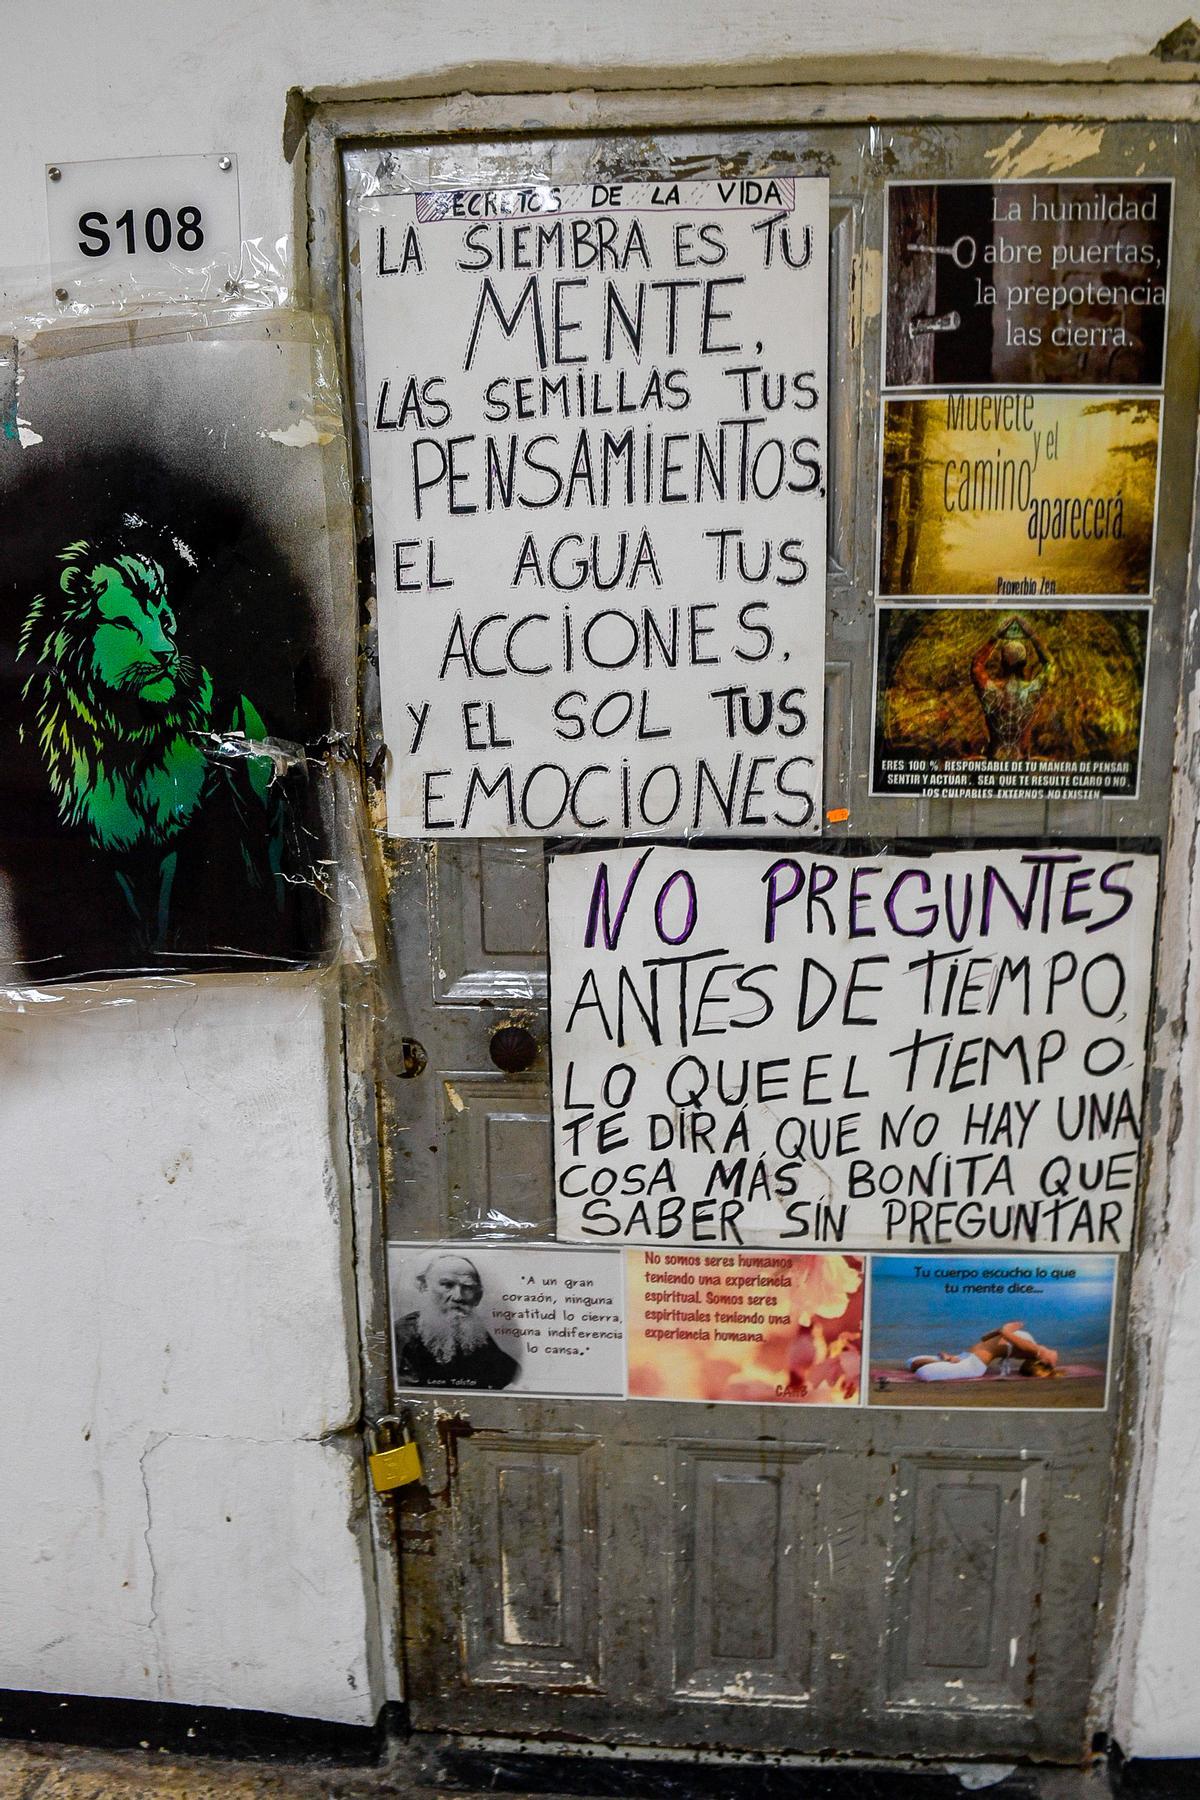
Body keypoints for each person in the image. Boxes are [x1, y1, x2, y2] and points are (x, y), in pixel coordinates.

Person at [393, 1252, 520, 1390]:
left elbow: (509, 1375)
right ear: (424, 1287)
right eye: (447, 1285)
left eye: (468, 1287)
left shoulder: (472, 1333)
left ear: (478, 1296)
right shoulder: (402, 1335)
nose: (458, 1296)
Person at [970, 614, 1052, 760]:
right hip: (1021, 763)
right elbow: (1049, 664)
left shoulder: (991, 690)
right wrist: (1031, 634)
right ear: (1025, 663)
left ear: (1002, 662)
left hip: (994, 762)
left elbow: (976, 665)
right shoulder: (1033, 691)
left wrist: (996, 636)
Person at [907, 1319, 1059, 1383]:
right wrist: (1004, 1330)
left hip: (971, 1360)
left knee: (918, 1368)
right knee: (914, 1366)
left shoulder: (1031, 1347)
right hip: (970, 1360)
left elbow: (992, 1335)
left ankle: (948, 1361)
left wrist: (1005, 1329)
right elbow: (986, 1337)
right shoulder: (1032, 1348)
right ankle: (949, 1361)